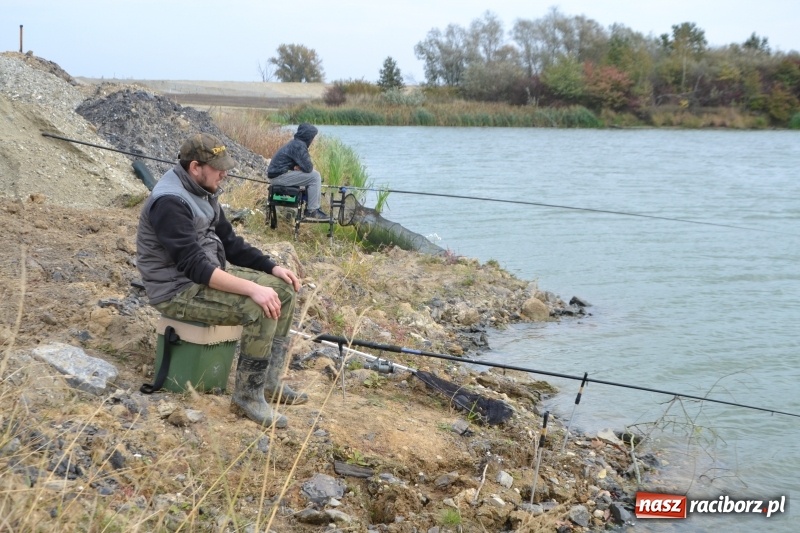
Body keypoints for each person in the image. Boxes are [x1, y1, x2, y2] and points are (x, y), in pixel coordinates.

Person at [136, 132, 307, 428]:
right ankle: (247, 396)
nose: (224, 173)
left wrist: (271, 268)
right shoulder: (169, 202)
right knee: (258, 307)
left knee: (284, 291)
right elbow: (195, 268)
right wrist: (254, 289)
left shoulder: (203, 190)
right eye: (218, 168)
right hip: (177, 290)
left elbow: (229, 242)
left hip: (203, 276)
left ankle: (269, 382)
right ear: (195, 167)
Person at [267, 123, 329, 220]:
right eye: (312, 137)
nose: (312, 140)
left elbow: (303, 166)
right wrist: (301, 167)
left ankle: (311, 208)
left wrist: (299, 167)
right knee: (315, 176)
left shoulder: (296, 143)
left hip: (278, 175)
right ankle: (312, 211)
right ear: (307, 136)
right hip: (278, 177)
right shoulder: (299, 146)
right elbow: (308, 168)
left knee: (313, 175)